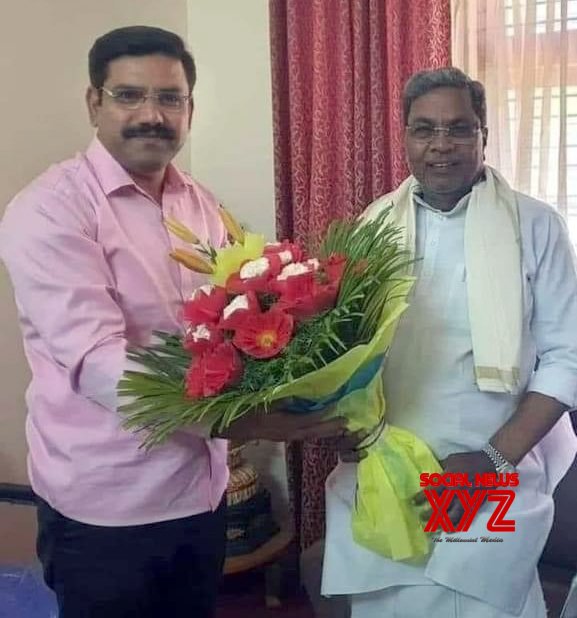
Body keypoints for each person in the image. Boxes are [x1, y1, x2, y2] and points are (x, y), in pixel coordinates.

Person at [0, 26, 355, 618]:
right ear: (95, 102)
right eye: (128, 95)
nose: (152, 115)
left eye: (170, 98)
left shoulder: (200, 204)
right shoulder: (50, 208)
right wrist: (255, 422)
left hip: (200, 493)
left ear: (189, 108)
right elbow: (98, 364)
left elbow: (238, 324)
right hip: (107, 508)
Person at [320, 67, 577, 618]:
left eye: (459, 129)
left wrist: (489, 463)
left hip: (489, 477)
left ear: (484, 134)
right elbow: (344, 352)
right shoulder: (372, 227)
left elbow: (567, 358)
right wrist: (339, 425)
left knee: (487, 604)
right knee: (388, 606)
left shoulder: (534, 226)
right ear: (405, 136)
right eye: (424, 129)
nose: (441, 146)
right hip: (388, 475)